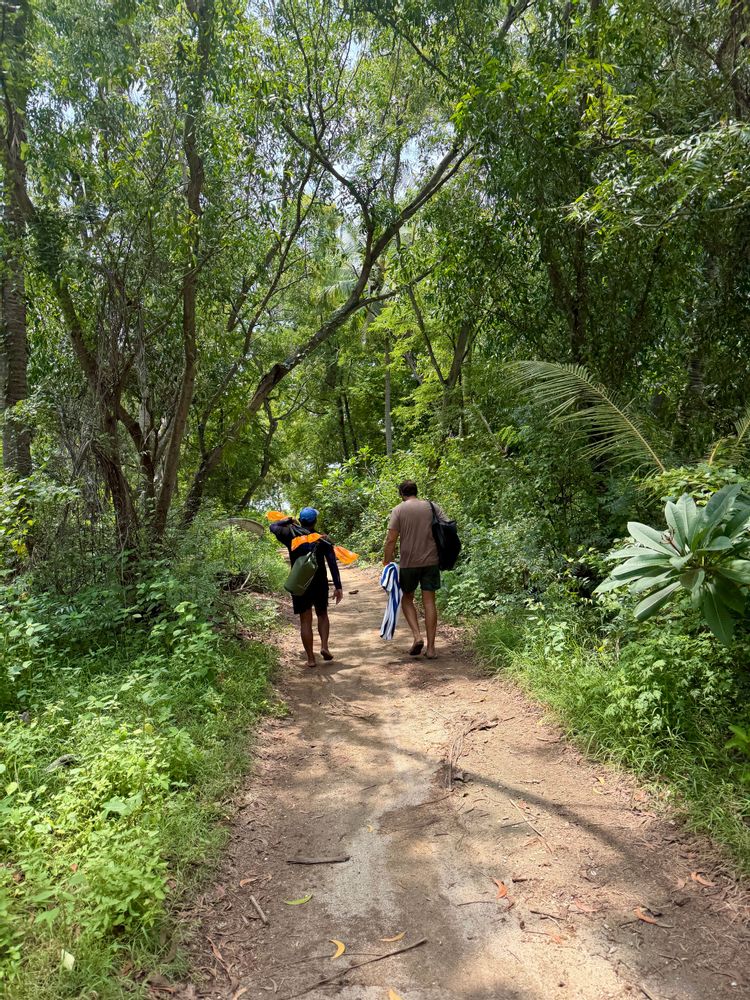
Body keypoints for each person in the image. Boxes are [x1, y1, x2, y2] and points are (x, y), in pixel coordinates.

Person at [270, 507, 343, 668]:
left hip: (299, 582)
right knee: (322, 614)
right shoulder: (322, 539)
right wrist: (338, 586)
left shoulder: (289, 535)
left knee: (305, 620)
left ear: (301, 520)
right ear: (315, 521)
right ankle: (324, 646)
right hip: (319, 582)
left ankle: (310, 658)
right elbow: (332, 563)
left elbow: (273, 527)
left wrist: (287, 520)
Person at [383, 480, 447, 660]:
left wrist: (387, 562)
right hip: (431, 561)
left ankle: (417, 637)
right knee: (429, 602)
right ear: (416, 491)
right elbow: (447, 526)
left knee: (407, 598)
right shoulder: (432, 506)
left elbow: (391, 539)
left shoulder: (399, 510)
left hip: (408, 563)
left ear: (401, 494)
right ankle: (432, 648)